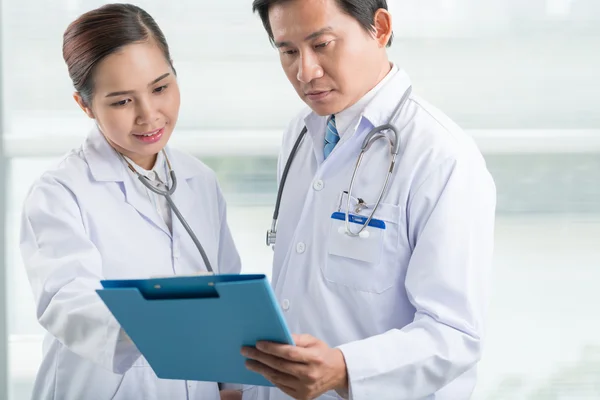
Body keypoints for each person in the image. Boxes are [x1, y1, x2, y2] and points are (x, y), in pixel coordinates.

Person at [241, 0, 497, 399]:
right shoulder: (299, 135)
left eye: (322, 44)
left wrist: (344, 369)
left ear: (379, 28)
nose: (304, 71)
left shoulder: (441, 157)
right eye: (288, 51)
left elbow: (454, 334)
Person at [19, 4, 242, 400]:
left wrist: (231, 384)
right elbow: (69, 304)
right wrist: (161, 325)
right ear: (85, 106)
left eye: (160, 88)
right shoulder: (60, 192)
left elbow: (229, 297)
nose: (149, 115)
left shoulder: (199, 181)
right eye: (122, 101)